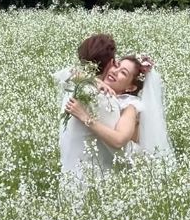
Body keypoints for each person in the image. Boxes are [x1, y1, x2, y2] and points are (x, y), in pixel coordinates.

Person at [64, 54, 174, 170]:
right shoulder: (101, 87)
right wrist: (97, 82)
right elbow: (70, 72)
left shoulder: (130, 107)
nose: (115, 71)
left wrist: (85, 117)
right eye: (117, 65)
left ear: (131, 88)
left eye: (123, 73)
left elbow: (119, 140)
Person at [52, 34, 120, 181]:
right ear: (111, 63)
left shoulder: (73, 87)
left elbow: (64, 73)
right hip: (93, 183)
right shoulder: (103, 99)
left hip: (69, 178)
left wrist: (92, 80)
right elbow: (119, 145)